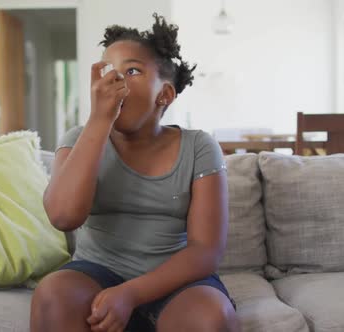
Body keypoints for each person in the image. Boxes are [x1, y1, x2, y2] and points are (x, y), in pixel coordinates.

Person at [30, 13, 240, 332]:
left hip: (177, 280)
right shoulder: (79, 139)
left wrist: (129, 294)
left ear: (164, 95)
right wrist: (99, 121)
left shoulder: (199, 147)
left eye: (132, 71)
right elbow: (62, 217)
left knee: (210, 316)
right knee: (52, 295)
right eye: (109, 72)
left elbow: (205, 252)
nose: (115, 82)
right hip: (95, 271)